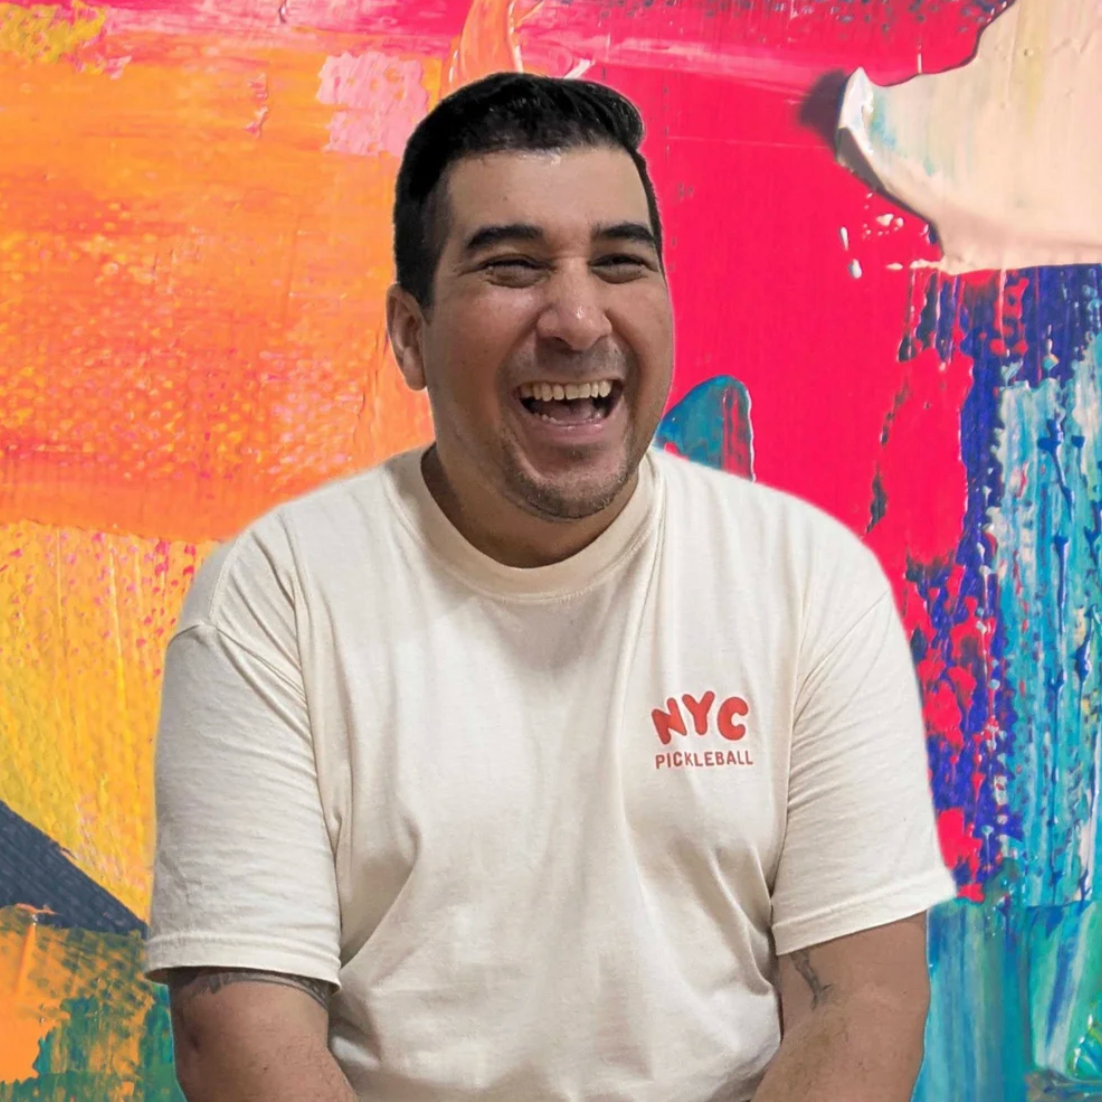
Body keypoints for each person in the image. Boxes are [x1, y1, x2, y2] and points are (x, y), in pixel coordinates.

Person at [146, 72, 956, 1102]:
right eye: (513, 267)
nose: (577, 316)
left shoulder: (807, 582)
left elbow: (862, 1004)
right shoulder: (274, 598)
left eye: (620, 262)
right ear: (408, 333)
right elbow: (241, 1032)